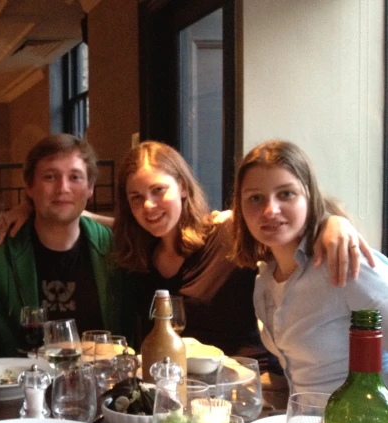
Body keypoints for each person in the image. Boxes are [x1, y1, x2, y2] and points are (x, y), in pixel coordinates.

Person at [112, 141, 374, 369]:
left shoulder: (228, 234)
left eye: (158, 190)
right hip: (179, 386)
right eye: (136, 197)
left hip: (248, 382)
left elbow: (282, 221)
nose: (148, 205)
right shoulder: (138, 257)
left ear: (181, 186)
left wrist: (331, 221)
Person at [231, 139, 388, 394]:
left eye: (286, 194)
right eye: (255, 198)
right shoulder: (265, 280)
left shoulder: (345, 264)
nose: (270, 210)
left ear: (309, 197)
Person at [0, 134, 113, 358]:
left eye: (75, 177)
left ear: (90, 188)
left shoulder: (116, 251)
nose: (63, 188)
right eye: (50, 177)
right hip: (18, 386)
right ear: (29, 186)